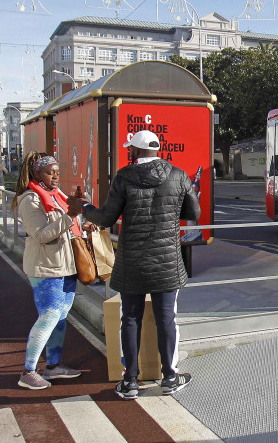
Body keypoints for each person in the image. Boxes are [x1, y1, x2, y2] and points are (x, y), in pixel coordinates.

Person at [68, 130, 200, 400]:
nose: (129, 152)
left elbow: (105, 217)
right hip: (167, 262)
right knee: (167, 319)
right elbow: (193, 213)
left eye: (131, 149)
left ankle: (130, 382)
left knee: (130, 319)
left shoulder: (123, 177)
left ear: (136, 151)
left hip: (133, 262)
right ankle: (170, 377)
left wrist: (84, 207)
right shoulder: (178, 175)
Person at [13, 151, 84, 390]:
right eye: (49, 172)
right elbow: (41, 235)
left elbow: (67, 224)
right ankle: (28, 371)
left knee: (61, 317)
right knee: (50, 315)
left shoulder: (57, 195)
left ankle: (53, 366)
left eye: (56, 172)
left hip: (66, 266)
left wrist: (82, 220)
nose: (55, 176)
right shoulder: (30, 199)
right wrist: (70, 215)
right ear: (36, 173)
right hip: (46, 268)